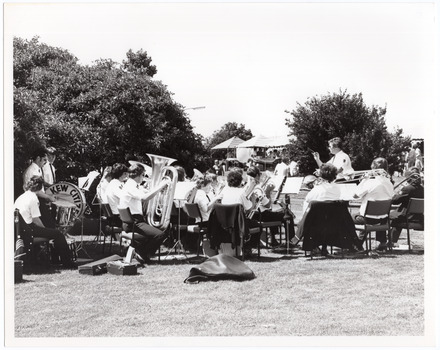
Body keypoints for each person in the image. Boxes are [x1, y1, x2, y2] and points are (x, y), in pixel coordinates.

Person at [14, 176, 75, 268]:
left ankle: (55, 260)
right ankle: (67, 263)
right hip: (28, 230)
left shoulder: (21, 197)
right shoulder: (33, 198)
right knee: (58, 233)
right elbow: (36, 220)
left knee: (53, 233)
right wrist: (46, 230)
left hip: (20, 229)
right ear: (40, 187)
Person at [118, 164, 169, 262]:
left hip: (133, 221)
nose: (144, 178)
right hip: (134, 223)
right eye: (143, 175)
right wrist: (161, 185)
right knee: (160, 235)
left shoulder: (132, 185)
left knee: (159, 232)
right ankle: (142, 254)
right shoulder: (130, 186)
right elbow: (145, 198)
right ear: (138, 175)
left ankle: (139, 251)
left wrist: (158, 189)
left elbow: (146, 193)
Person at [246, 166, 294, 247]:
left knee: (274, 213)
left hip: (253, 215)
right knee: (288, 216)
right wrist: (268, 192)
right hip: (260, 215)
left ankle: (274, 239)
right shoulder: (257, 188)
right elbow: (267, 205)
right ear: (257, 176)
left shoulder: (246, 186)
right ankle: (290, 241)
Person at [352, 157, 394, 251]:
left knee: (347, 218)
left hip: (367, 218)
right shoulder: (389, 183)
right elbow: (391, 196)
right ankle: (382, 242)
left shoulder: (370, 182)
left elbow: (355, 195)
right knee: (376, 215)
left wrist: (364, 180)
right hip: (383, 218)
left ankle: (356, 244)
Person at [22, 147, 57, 228]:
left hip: (38, 199)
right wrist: (49, 197)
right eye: (44, 160)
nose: (45, 162)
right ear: (38, 158)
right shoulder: (33, 171)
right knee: (49, 225)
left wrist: (50, 186)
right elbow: (36, 191)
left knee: (49, 224)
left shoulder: (36, 169)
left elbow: (41, 182)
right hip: (35, 200)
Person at [389, 167, 424, 245]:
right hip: (419, 218)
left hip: (406, 217)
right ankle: (391, 241)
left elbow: (394, 201)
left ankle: (389, 242)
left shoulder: (407, 189)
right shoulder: (423, 189)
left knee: (388, 216)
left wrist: (400, 190)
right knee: (396, 215)